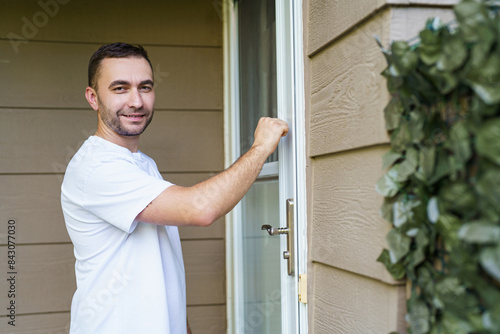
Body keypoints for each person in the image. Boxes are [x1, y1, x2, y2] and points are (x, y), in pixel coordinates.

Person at [60, 42, 288, 334]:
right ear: (93, 98)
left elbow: (158, 262)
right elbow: (201, 209)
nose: (136, 101)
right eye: (120, 89)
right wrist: (261, 147)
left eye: (145, 87)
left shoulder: (141, 164)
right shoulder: (97, 168)